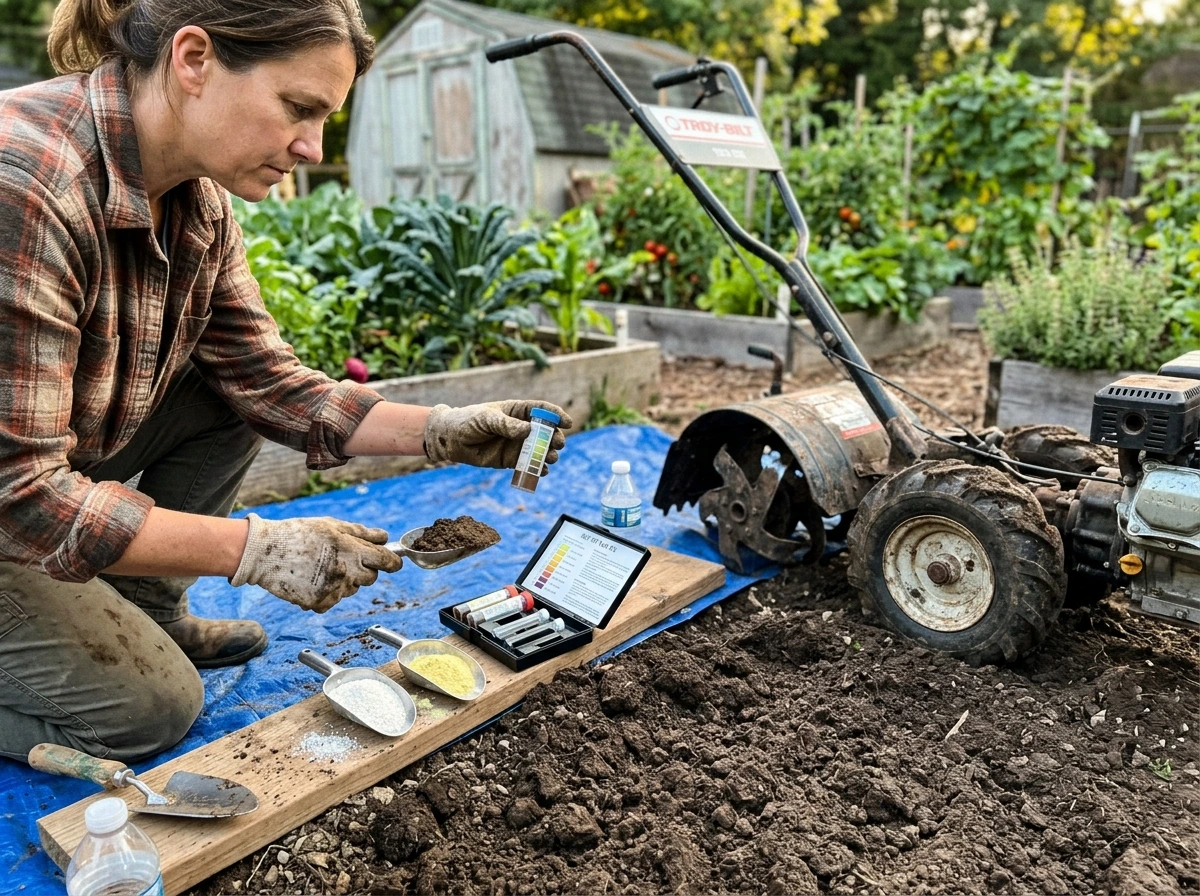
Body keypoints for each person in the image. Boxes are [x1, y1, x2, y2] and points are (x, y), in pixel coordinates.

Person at [0, 0, 572, 763]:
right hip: (12, 500)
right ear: (194, 60)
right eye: (298, 108)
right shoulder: (28, 183)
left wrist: (439, 430)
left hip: (30, 481)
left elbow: (266, 381)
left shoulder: (195, 203)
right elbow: (22, 495)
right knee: (149, 710)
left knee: (225, 394)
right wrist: (258, 551)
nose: (311, 146)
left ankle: (146, 608)